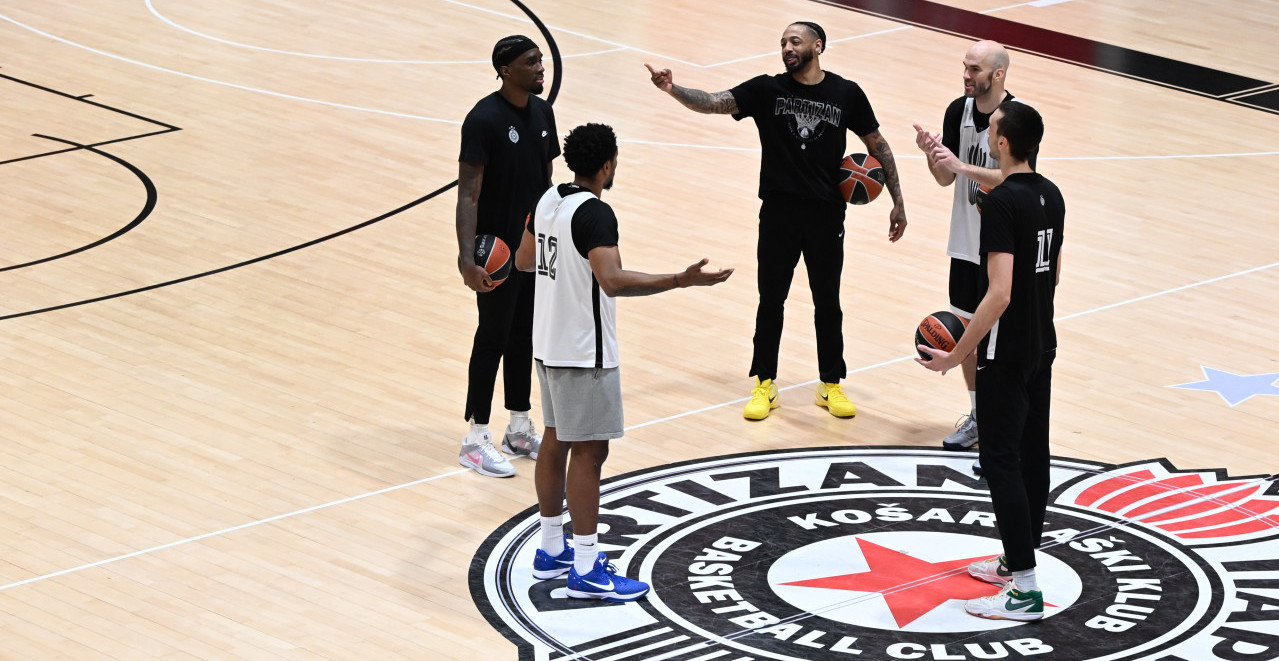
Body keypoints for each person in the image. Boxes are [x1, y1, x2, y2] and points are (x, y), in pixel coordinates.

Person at [645, 21, 906, 421]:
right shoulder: (768, 89)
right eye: (783, 42)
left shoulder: (846, 93)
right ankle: (765, 383)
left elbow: (878, 145)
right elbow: (714, 101)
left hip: (825, 215)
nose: (787, 47)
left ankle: (830, 384)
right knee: (771, 302)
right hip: (779, 214)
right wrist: (673, 89)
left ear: (818, 46)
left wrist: (897, 202)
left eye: (795, 41)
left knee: (827, 303)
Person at [514, 123, 732, 601]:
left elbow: (524, 261)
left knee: (555, 440)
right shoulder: (595, 213)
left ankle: (552, 549)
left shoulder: (549, 198)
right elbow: (611, 281)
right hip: (583, 350)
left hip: (547, 341)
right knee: (590, 452)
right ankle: (588, 566)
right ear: (608, 164)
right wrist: (680, 279)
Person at [917, 101, 1063, 621]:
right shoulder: (1052, 195)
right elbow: (1052, 276)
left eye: (993, 132)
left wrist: (958, 353)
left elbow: (997, 294)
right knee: (1033, 457)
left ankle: (1024, 588)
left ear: (1002, 144)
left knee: (1000, 462)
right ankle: (1014, 559)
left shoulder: (1002, 204)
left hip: (1003, 352)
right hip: (1041, 345)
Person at [913, 41, 1032, 460]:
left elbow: (1018, 180)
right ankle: (980, 416)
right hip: (965, 244)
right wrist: (935, 158)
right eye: (964, 66)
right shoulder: (956, 111)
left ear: (997, 74)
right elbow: (947, 180)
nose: (966, 75)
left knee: (1003, 341)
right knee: (966, 331)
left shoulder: (1015, 120)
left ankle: (1012, 424)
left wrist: (963, 166)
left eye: (975, 69)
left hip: (1003, 248)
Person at [455, 35, 558, 478]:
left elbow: (546, 181)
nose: (540, 68)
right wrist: (466, 258)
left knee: (524, 339)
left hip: (532, 250)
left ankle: (518, 426)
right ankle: (475, 438)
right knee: (492, 337)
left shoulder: (543, 112)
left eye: (541, 60)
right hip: (495, 252)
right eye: (531, 62)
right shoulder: (483, 119)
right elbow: (468, 193)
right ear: (505, 69)